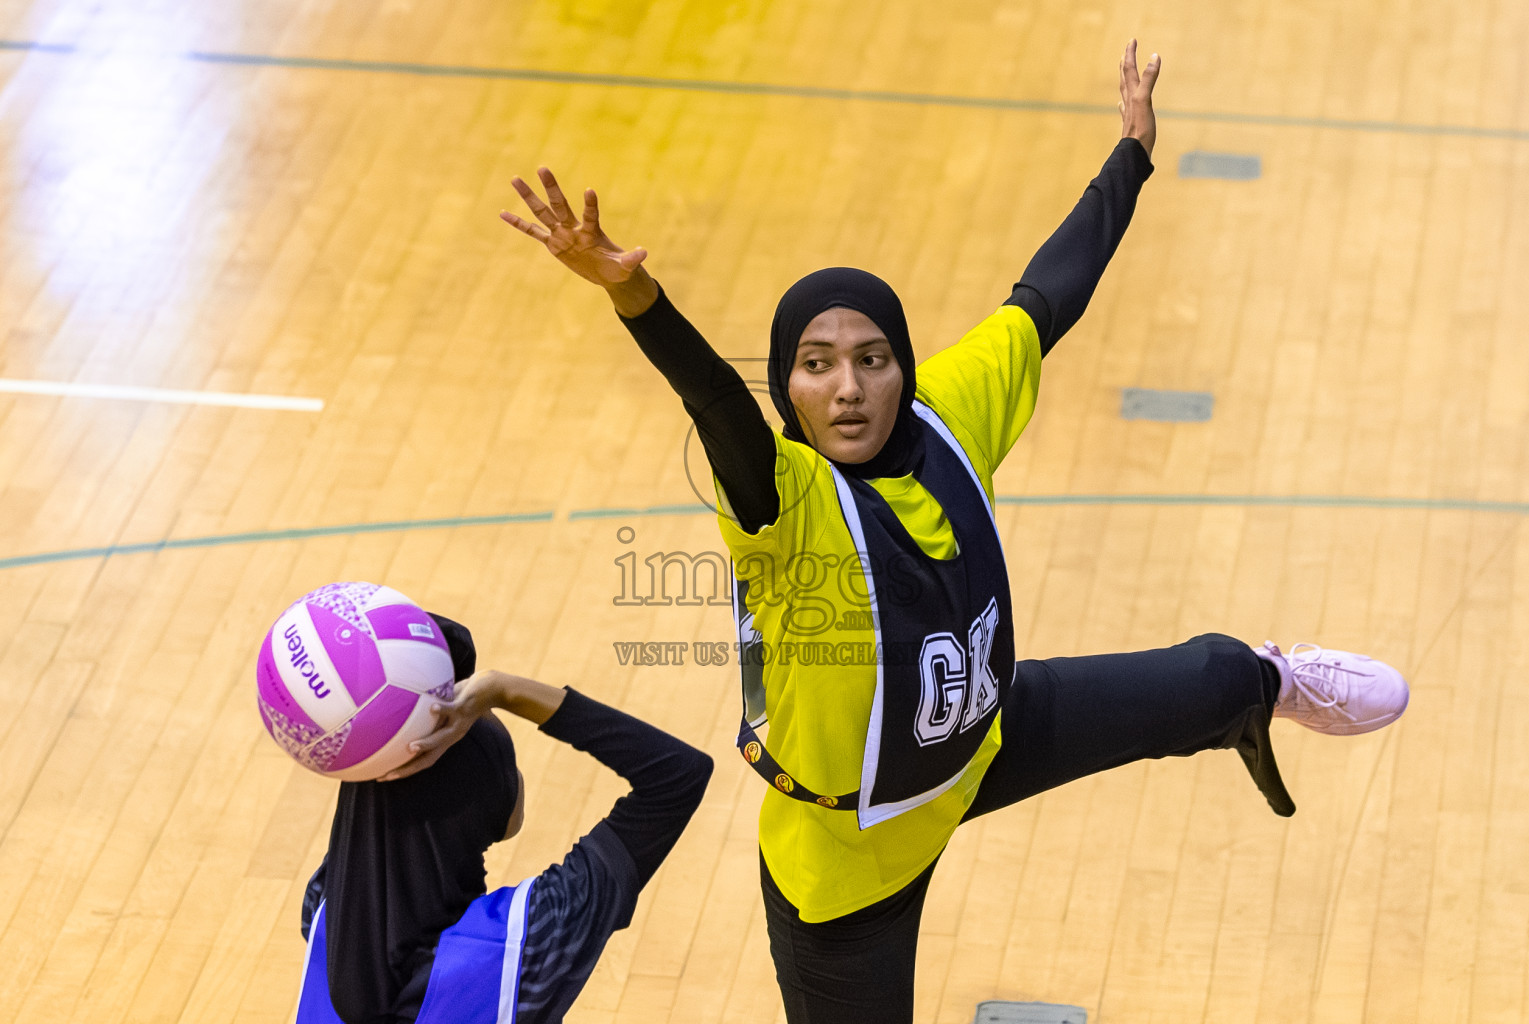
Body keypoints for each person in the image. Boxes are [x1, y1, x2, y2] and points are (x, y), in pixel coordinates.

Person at [499, 40, 1409, 1024]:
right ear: (785, 385)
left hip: (979, 738)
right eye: (815, 364)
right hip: (849, 861)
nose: (847, 386)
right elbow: (715, 405)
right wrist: (634, 294)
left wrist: (1132, 155)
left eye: (872, 358)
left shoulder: (947, 412)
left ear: (905, 368)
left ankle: (1270, 685)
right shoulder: (782, 498)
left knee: (1211, 679)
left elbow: (1044, 298)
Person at [293, 614, 713, 1024]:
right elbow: (677, 775)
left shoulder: (326, 907)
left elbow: (375, 804)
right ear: (486, 809)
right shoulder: (522, 947)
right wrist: (505, 692)